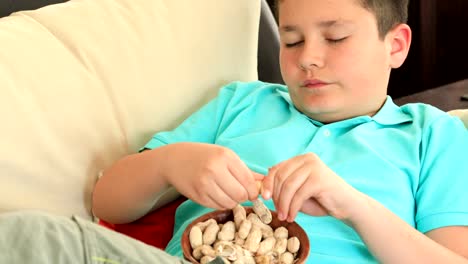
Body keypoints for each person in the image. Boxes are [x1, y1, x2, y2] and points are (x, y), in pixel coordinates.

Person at [92, 0, 468, 263]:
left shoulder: (431, 134)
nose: (307, 58)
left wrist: (353, 206)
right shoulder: (241, 103)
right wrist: (168, 164)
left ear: (396, 46)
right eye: (292, 41)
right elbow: (106, 202)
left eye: (335, 38)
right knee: (38, 236)